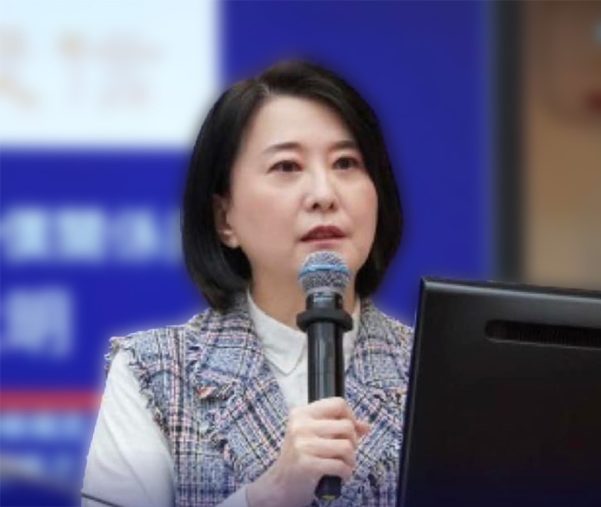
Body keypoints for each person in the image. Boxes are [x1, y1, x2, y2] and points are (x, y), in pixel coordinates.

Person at [82, 59, 412, 507]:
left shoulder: (435, 372)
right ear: (225, 218)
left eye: (346, 163)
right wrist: (269, 495)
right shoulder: (156, 373)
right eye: (287, 166)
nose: (324, 194)